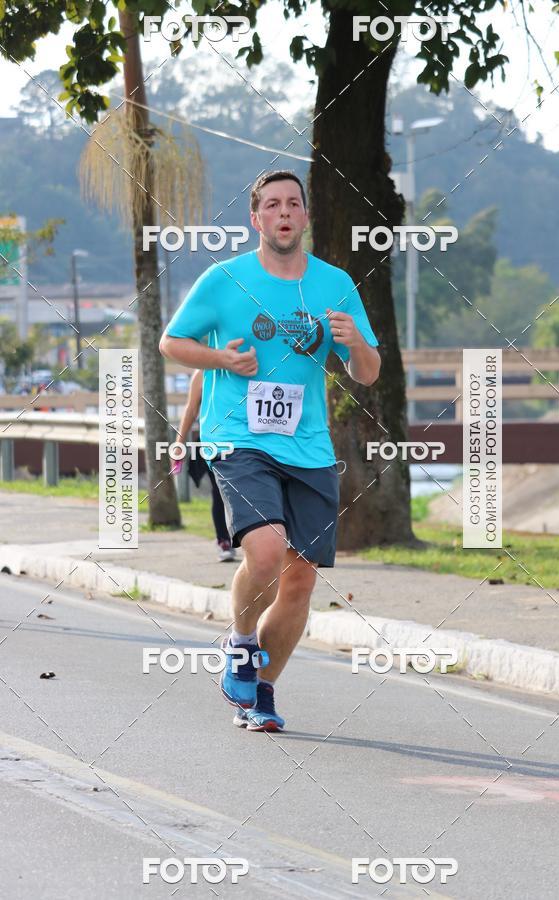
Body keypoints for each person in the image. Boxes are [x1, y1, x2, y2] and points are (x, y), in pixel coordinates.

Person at [160, 170, 380, 732]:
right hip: (238, 438)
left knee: (300, 579)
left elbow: (369, 373)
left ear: (305, 217)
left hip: (307, 447)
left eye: (293, 204)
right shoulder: (224, 278)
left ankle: (262, 690)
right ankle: (239, 641)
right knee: (264, 552)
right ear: (255, 219)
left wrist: (355, 344)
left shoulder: (335, 285)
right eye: (272, 205)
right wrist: (223, 362)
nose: (284, 213)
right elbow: (172, 343)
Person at [170, 369, 236, 562]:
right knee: (219, 491)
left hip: (244, 441)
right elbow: (191, 410)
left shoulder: (244, 366)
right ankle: (224, 540)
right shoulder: (201, 373)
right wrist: (179, 443)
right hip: (212, 442)